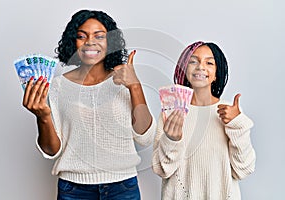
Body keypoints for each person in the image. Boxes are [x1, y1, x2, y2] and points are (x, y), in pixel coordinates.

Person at [22, 9, 156, 200]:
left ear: (110, 42)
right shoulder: (58, 87)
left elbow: (145, 137)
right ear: (73, 42)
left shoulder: (124, 80)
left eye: (99, 36)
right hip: (73, 190)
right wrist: (42, 117)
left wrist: (135, 86)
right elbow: (51, 150)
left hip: (122, 188)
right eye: (81, 36)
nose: (90, 42)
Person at [152, 41, 256, 200]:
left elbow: (243, 169)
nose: (200, 66)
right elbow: (161, 169)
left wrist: (237, 125)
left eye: (209, 62)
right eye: (193, 61)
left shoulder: (230, 112)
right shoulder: (171, 112)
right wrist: (172, 140)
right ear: (185, 69)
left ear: (216, 73)